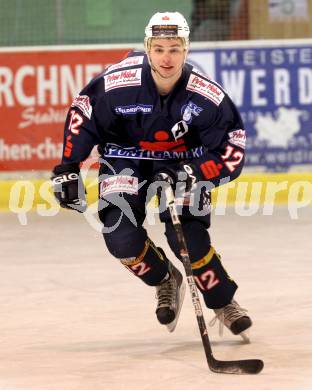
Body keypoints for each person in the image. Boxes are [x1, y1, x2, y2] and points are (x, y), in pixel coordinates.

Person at [51, 11, 252, 339]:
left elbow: (232, 147)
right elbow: (84, 112)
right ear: (147, 49)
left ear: (186, 50)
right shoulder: (119, 82)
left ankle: (222, 301)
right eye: (158, 49)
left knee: (188, 239)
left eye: (174, 48)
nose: (166, 57)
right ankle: (164, 279)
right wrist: (68, 167)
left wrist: (195, 171)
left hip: (184, 166)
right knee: (121, 238)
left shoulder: (206, 95)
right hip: (125, 158)